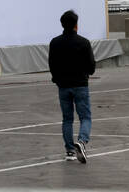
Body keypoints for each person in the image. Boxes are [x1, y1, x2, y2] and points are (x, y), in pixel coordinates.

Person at [48, 9, 95, 163]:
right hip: (80, 84)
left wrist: (56, 79)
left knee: (67, 119)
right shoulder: (83, 42)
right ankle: (81, 142)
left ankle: (69, 150)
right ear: (76, 25)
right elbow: (91, 66)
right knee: (85, 117)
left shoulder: (55, 43)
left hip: (63, 85)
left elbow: (52, 64)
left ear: (62, 24)